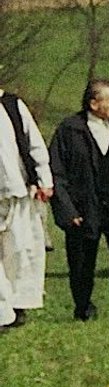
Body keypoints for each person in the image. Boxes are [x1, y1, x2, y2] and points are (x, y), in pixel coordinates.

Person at [50, 78, 109, 320]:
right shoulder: (69, 131)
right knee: (82, 263)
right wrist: (68, 211)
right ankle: (83, 309)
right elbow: (57, 173)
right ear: (94, 104)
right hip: (83, 209)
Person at [0, 84, 50, 330]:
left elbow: (34, 144)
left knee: (19, 250)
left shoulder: (11, 106)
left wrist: (44, 179)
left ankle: (17, 305)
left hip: (17, 191)